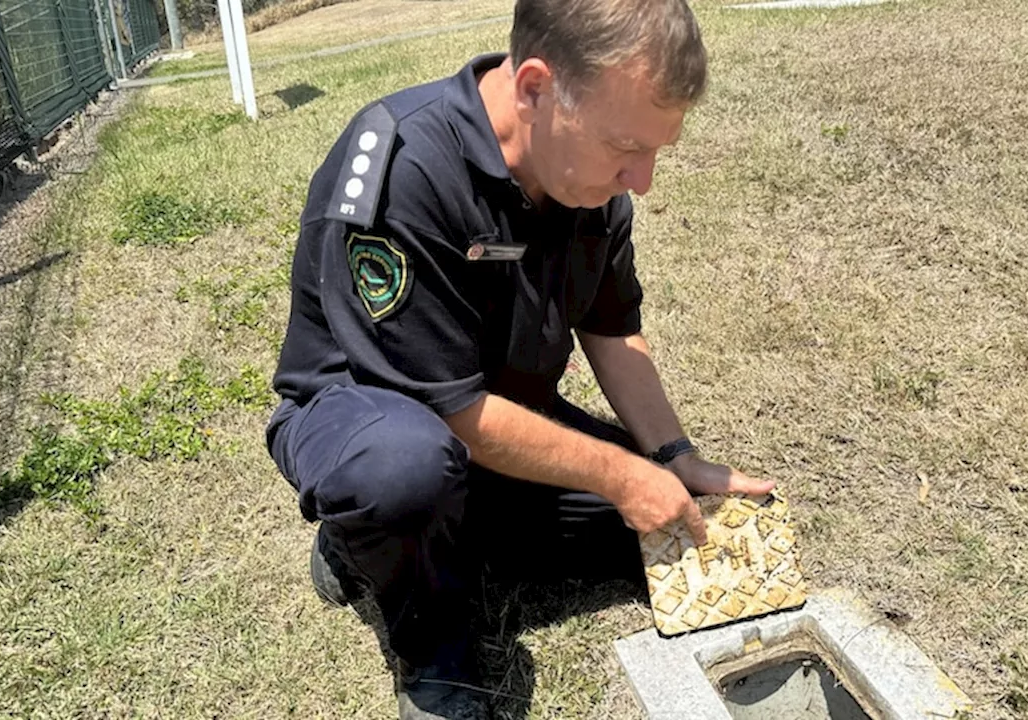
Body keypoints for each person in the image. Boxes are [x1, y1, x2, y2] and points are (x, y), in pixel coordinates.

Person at [265, 0, 774, 716]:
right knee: (404, 474)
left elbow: (611, 328)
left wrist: (672, 455)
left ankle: (440, 541)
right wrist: (624, 473)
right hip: (373, 418)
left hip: (505, 419)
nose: (644, 179)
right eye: (628, 146)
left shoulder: (585, 178)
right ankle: (423, 633)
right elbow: (454, 411)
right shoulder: (405, 165)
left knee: (664, 525)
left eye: (658, 150)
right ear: (535, 86)